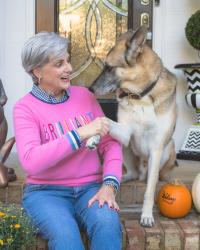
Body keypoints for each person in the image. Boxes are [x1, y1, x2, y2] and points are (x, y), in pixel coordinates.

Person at [13, 32, 123, 250]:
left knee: (108, 224)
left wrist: (110, 184)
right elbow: (30, 161)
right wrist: (79, 134)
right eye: (59, 63)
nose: (69, 68)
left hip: (90, 188)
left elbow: (110, 144)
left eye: (68, 60)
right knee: (66, 239)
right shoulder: (25, 108)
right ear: (37, 71)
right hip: (46, 193)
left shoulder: (85, 96)